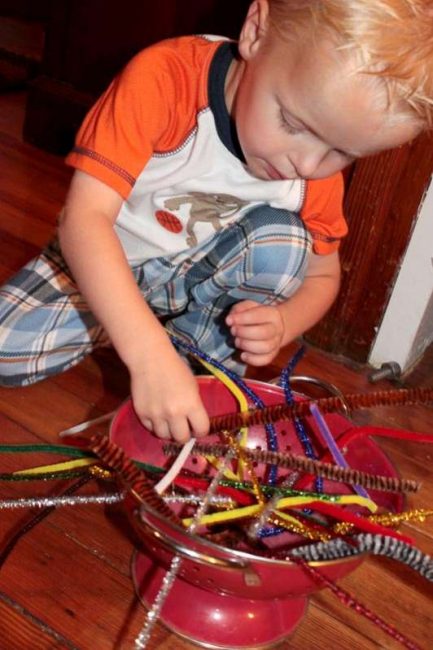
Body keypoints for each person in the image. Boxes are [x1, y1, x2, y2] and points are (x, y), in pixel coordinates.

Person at [0, 0, 431, 442]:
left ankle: (194, 361)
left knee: (285, 244)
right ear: (255, 32)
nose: (306, 163)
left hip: (197, 283)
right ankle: (131, 329)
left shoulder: (311, 173)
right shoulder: (163, 79)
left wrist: (285, 322)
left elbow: (323, 275)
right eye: (292, 122)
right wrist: (147, 353)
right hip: (101, 263)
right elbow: (83, 222)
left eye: (342, 153)